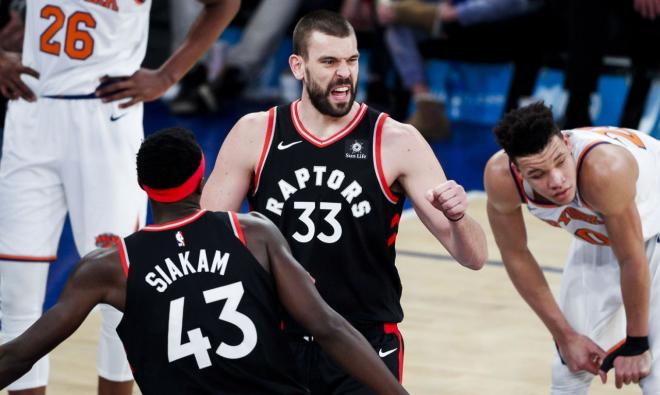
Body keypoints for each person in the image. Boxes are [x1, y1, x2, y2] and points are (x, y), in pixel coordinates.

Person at [201, 9, 488, 393]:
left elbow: (474, 257)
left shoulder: (396, 140)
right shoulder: (256, 133)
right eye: (329, 61)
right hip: (274, 338)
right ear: (298, 66)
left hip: (362, 342)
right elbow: (206, 241)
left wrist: (457, 218)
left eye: (351, 60)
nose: (344, 74)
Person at [0, 127, 409, 395]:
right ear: (202, 176)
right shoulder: (252, 233)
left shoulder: (109, 266)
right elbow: (328, 326)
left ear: (143, 187)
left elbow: (19, 355)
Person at [0, 0, 240, 394]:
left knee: (120, 295)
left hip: (105, 118)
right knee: (16, 297)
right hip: (31, 112)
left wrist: (168, 75)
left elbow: (225, 4)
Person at [484, 102, 660, 393]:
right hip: (604, 229)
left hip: (651, 224)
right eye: (537, 174)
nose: (556, 180)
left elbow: (632, 258)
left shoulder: (604, 170)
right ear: (516, 169)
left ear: (567, 143)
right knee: (570, 367)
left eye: (560, 161)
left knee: (654, 378)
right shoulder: (500, 178)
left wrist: (637, 343)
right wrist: (564, 336)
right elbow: (515, 254)